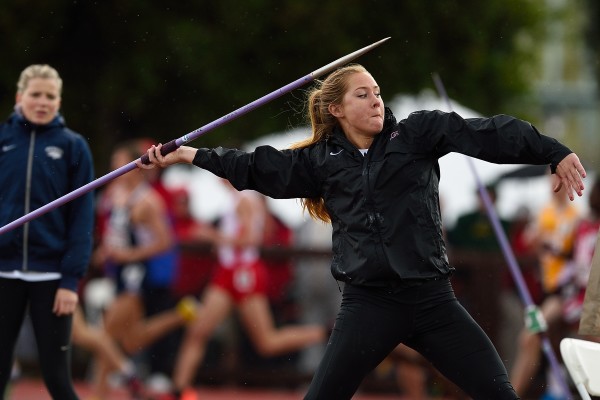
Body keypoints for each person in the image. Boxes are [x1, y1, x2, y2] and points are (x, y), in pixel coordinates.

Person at [138, 63, 586, 400]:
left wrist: (552, 150)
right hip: (368, 305)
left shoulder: (417, 134)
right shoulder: (320, 161)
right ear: (337, 109)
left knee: (499, 395)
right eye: (363, 94)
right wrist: (189, 155)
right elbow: (257, 167)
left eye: (377, 92)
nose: (376, 101)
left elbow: (490, 133)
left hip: (432, 300)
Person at [160, 179, 327, 400]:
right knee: (199, 332)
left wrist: (211, 236)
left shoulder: (245, 198)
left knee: (266, 341)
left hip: (242, 272)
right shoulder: (243, 198)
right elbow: (261, 231)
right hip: (230, 271)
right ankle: (179, 390)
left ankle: (323, 333)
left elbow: (249, 239)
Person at [0, 64, 95, 399]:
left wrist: (70, 280)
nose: (43, 102)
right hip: (3, 273)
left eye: (50, 96)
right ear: (19, 97)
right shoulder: (3, 140)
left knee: (57, 378)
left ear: (59, 101)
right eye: (35, 94)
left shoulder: (73, 146)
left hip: (52, 278)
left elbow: (82, 218)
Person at [93, 139, 197, 395]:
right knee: (132, 339)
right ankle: (179, 316)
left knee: (105, 335)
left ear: (134, 166)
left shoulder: (148, 201)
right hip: (117, 272)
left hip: (135, 274)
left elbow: (166, 242)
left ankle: (100, 393)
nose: (114, 168)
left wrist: (130, 255)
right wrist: (105, 252)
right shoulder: (114, 194)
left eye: (119, 163)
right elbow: (115, 232)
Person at [509, 174, 581, 398]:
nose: (552, 186)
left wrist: (552, 247)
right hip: (545, 289)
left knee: (529, 336)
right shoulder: (544, 212)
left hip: (564, 292)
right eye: (550, 182)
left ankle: (511, 394)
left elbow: (577, 255)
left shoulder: (576, 216)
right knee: (532, 341)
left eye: (556, 181)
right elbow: (529, 245)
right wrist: (537, 244)